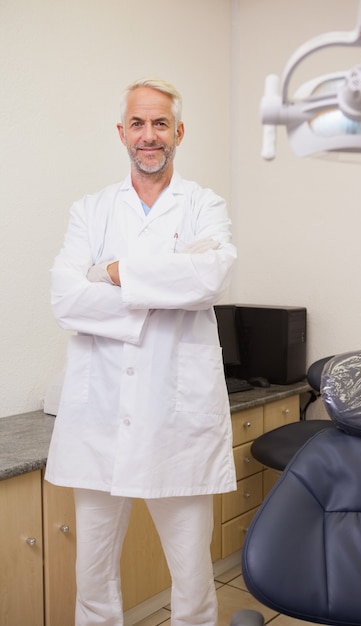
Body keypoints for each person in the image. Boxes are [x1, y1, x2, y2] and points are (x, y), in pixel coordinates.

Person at [45, 77, 237, 626]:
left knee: (193, 579)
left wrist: (111, 274)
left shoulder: (203, 204)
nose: (148, 135)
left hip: (176, 421)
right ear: (121, 132)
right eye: (137, 123)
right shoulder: (91, 209)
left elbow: (209, 280)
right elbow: (66, 300)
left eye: (159, 124)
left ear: (178, 130)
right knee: (93, 576)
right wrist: (162, 292)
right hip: (100, 416)